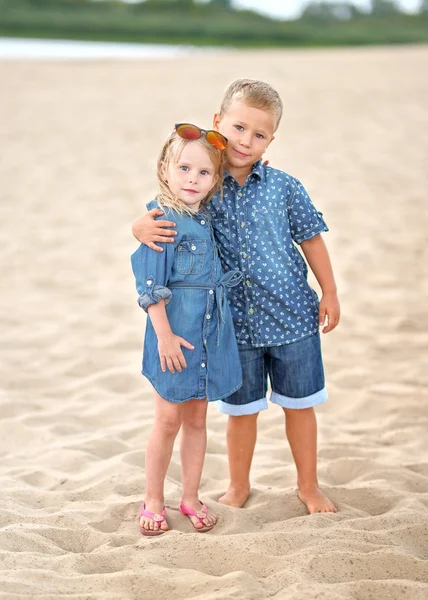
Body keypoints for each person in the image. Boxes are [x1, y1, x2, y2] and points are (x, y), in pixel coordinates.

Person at [132, 80, 340, 515]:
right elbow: (163, 214)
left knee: (300, 407)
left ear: (271, 140)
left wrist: (330, 291)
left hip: (292, 318)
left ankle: (308, 486)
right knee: (241, 411)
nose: (246, 141)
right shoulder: (203, 183)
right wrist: (138, 227)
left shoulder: (284, 186)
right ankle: (238, 486)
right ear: (217, 123)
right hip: (231, 327)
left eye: (259, 134)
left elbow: (312, 240)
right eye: (239, 127)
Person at [131, 124, 243, 535]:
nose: (192, 180)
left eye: (203, 173)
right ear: (165, 169)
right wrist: (163, 335)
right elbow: (150, 287)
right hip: (173, 337)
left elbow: (238, 170)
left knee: (198, 421)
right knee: (166, 420)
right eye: (184, 169)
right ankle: (154, 498)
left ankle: (191, 496)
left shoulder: (205, 215)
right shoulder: (162, 219)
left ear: (215, 180)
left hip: (208, 337)